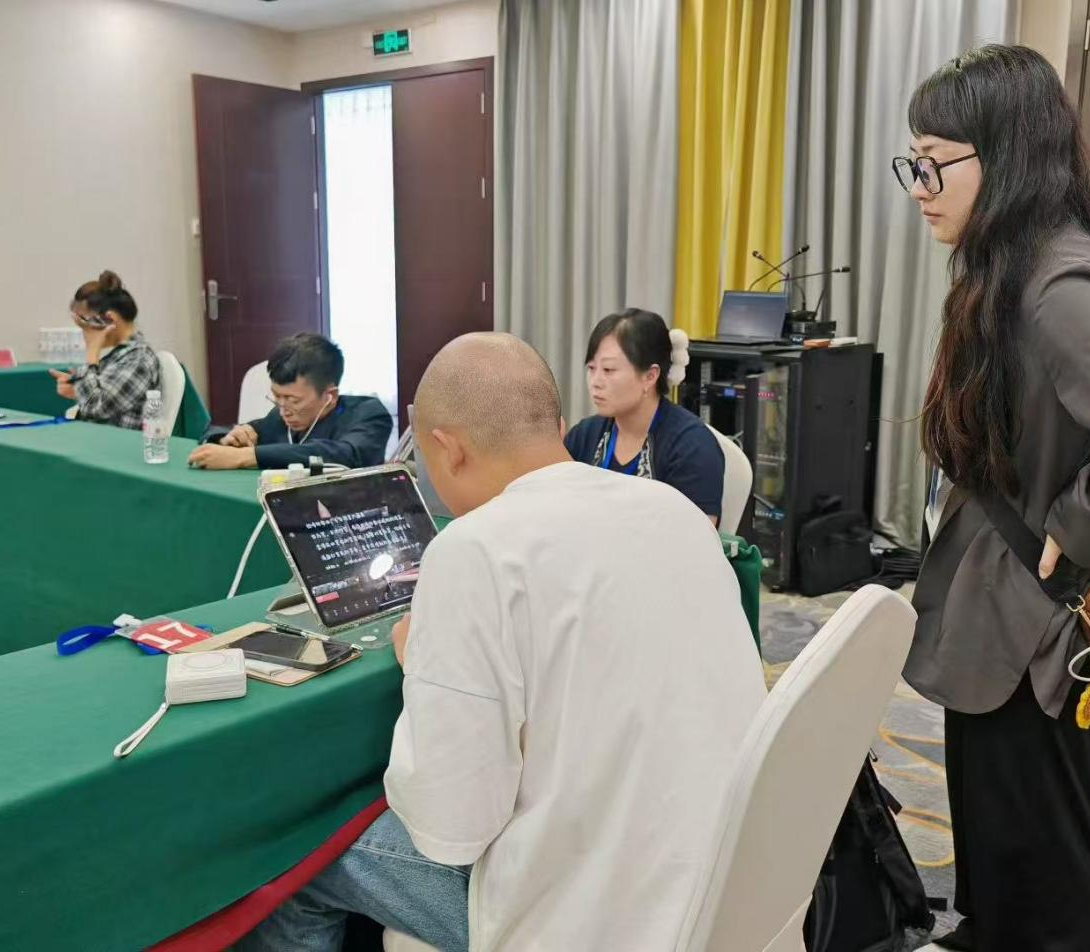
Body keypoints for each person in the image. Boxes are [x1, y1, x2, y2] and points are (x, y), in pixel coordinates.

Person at [237, 333, 766, 952]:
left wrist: (427, 666)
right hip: (733, 883)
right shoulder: (675, 511)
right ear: (559, 428)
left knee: (290, 862)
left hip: (589, 920)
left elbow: (449, 826)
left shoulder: (474, 551)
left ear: (447, 449)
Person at [894, 46, 1090, 952]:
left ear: (1005, 156)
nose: (919, 189)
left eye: (934, 164)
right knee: (1000, 826)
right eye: (912, 164)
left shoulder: (1050, 281)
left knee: (1039, 848)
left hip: (1029, 615)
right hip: (1001, 608)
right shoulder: (1015, 264)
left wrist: (1074, 527)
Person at [565, 308, 725, 524]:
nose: (595, 381)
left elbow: (695, 538)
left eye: (608, 370)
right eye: (592, 368)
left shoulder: (692, 446)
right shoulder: (584, 435)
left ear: (650, 376)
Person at [189, 333, 391, 471]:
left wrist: (246, 457)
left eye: (293, 400)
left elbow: (346, 455)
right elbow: (221, 430)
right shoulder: (282, 415)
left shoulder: (368, 414)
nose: (284, 410)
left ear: (330, 396)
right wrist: (230, 438)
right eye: (277, 397)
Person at [49, 271, 160, 430]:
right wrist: (77, 389)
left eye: (86, 322)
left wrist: (92, 349)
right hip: (97, 438)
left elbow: (94, 407)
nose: (85, 331)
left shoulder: (138, 359)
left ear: (111, 319)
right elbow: (102, 396)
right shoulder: (121, 355)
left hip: (117, 443)